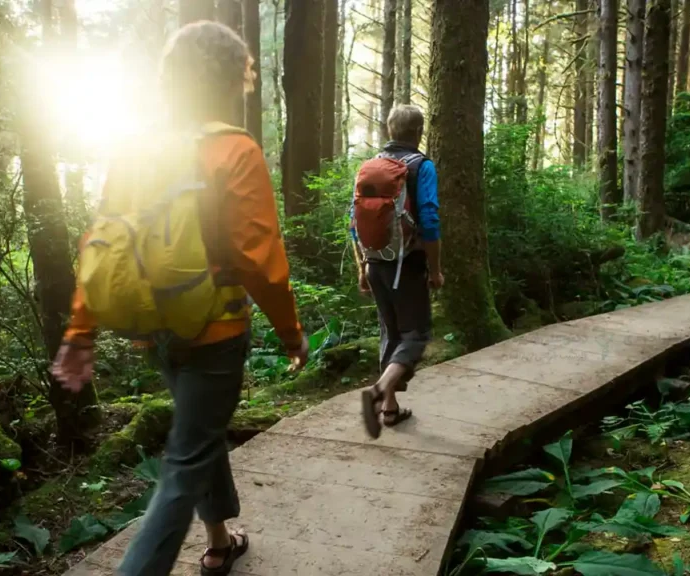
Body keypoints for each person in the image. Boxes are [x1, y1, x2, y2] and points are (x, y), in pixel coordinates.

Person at [50, 22, 307, 576]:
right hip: (214, 331)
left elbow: (103, 241)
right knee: (183, 464)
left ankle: (218, 543)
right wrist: (291, 332)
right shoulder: (234, 150)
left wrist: (81, 329)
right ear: (235, 78)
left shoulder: (137, 149)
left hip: (156, 328)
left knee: (199, 432)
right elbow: (257, 258)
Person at [353, 104, 444, 439]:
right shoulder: (421, 166)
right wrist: (435, 270)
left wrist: (363, 267)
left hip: (376, 263)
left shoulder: (371, 167)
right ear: (419, 132)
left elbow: (354, 220)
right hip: (407, 264)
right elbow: (430, 219)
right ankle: (378, 393)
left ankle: (390, 409)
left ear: (390, 130)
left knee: (389, 333)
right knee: (415, 335)